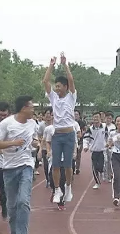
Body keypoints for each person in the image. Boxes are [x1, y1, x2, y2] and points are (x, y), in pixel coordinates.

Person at [0, 96, 39, 234]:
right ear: (23, 108)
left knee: (23, 201)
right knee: (12, 206)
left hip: (26, 165)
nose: (33, 109)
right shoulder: (7, 123)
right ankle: (14, 232)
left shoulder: (33, 123)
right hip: (9, 169)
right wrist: (13, 142)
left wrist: (36, 142)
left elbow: (34, 139)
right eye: (31, 107)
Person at [42, 52, 76, 203]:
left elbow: (71, 79)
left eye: (59, 86)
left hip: (69, 135)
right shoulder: (53, 97)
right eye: (55, 86)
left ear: (65, 87)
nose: (56, 88)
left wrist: (64, 64)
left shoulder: (71, 96)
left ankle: (68, 187)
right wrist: (51, 65)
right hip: (57, 135)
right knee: (55, 164)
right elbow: (45, 81)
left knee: (68, 165)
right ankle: (57, 189)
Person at [83, 112, 108, 189]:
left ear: (100, 118)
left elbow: (108, 137)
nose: (95, 119)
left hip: (102, 151)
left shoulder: (104, 127)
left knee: (100, 167)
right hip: (94, 151)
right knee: (94, 168)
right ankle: (97, 182)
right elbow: (86, 139)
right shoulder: (90, 129)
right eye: (94, 117)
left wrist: (108, 144)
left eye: (97, 117)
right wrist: (86, 146)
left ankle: (102, 171)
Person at [37, 108, 53, 187]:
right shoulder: (42, 125)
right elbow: (39, 135)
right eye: (46, 113)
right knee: (46, 165)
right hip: (44, 148)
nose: (48, 115)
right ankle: (48, 179)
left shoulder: (55, 125)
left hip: (54, 148)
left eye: (49, 114)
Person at [103, 112, 116, 183]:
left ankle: (110, 175)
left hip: (111, 147)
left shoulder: (114, 127)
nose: (108, 120)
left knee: (110, 161)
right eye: (107, 118)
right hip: (103, 146)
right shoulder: (102, 126)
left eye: (110, 118)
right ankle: (104, 175)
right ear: (105, 118)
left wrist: (111, 144)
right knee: (105, 161)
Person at [74, 109, 86, 175]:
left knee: (78, 154)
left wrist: (82, 133)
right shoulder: (70, 122)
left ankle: (77, 168)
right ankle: (72, 166)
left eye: (77, 114)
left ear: (79, 116)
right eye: (74, 114)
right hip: (72, 141)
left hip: (80, 141)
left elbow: (85, 129)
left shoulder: (82, 122)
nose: (75, 116)